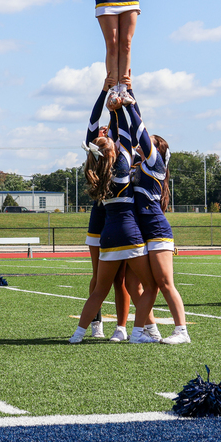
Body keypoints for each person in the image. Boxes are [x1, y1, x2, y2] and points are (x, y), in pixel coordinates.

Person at [70, 96, 159, 344]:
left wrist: (112, 105)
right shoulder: (122, 168)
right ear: (113, 151)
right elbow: (129, 136)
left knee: (100, 288)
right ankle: (146, 331)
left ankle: (78, 334)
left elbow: (117, 139)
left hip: (108, 234)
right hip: (130, 233)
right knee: (150, 286)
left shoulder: (99, 172)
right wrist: (121, 107)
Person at [124, 88, 188, 344]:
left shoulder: (155, 164)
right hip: (142, 232)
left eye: (149, 143)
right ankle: (142, 331)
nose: (143, 144)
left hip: (157, 231)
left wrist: (131, 102)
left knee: (164, 282)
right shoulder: (139, 165)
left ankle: (182, 331)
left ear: (157, 151)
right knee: (133, 284)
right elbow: (131, 135)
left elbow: (140, 132)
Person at [81, 85, 130, 339]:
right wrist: (105, 93)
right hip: (100, 216)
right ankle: (96, 323)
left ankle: (121, 327)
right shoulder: (100, 152)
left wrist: (113, 103)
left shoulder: (117, 149)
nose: (102, 131)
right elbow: (93, 121)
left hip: (118, 216)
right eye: (100, 133)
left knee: (120, 278)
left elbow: (114, 125)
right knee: (99, 276)